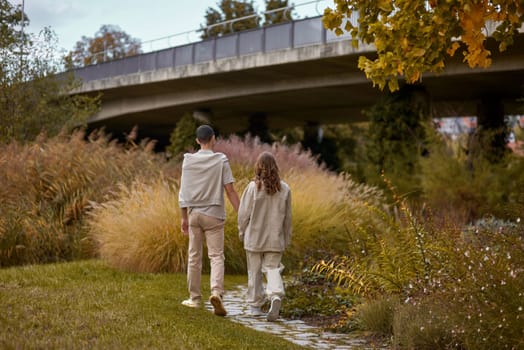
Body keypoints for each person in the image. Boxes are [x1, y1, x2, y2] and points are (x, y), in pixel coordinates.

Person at [179, 125, 240, 316]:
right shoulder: (221, 160)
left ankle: (195, 299)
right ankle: (216, 293)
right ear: (213, 139)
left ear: (197, 140)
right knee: (216, 256)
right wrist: (242, 212)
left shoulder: (188, 161)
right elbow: (230, 191)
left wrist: (183, 218)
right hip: (214, 215)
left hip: (194, 214)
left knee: (194, 257)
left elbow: (184, 192)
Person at [237, 151, 292, 321]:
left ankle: (255, 306)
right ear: (275, 168)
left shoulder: (253, 187)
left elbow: (243, 213)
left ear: (258, 167)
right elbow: (288, 218)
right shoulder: (285, 189)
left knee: (254, 271)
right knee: (273, 269)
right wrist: (287, 237)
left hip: (254, 237)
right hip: (275, 238)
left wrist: (241, 230)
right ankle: (275, 295)